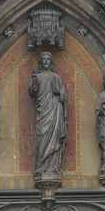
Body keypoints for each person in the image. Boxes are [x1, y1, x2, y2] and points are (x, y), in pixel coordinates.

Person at [28, 52, 67, 184]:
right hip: (43, 112)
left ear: (50, 62)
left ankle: (53, 168)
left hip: (55, 110)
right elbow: (32, 92)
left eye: (47, 59)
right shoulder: (37, 77)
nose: (45, 61)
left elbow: (63, 96)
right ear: (41, 62)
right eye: (43, 59)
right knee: (42, 139)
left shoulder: (56, 77)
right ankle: (41, 168)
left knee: (54, 139)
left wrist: (60, 94)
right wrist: (33, 80)